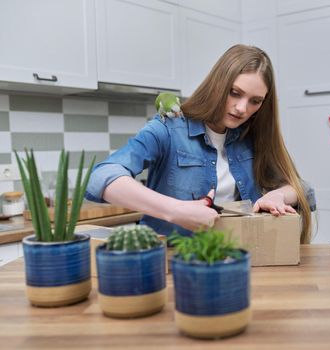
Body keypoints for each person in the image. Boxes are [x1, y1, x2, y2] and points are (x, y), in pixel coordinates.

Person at [86, 44, 316, 243]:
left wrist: (278, 196)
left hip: (235, 256)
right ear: (218, 84)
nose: (242, 108)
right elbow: (100, 177)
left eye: (255, 101)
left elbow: (303, 189)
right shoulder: (169, 128)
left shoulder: (250, 138)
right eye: (235, 93)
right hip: (172, 263)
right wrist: (175, 211)